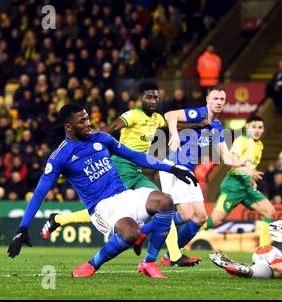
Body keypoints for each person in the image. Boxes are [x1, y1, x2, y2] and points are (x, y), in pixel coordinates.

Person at [7, 103, 198, 279]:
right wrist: (22, 228)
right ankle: (91, 264)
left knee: (165, 201)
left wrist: (172, 169)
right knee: (131, 234)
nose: (88, 123)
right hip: (102, 207)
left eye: (88, 118)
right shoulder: (60, 156)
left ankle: (149, 262)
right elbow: (40, 191)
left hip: (124, 195)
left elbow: (135, 156)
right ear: (69, 127)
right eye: (82, 121)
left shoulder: (101, 138)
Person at [41, 81, 206, 267]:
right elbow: (112, 127)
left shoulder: (157, 119)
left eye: (156, 97)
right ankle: (174, 255)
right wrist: (92, 146)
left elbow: (172, 125)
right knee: (108, 208)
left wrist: (199, 124)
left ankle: (58, 219)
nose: (153, 100)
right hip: (121, 167)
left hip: (136, 169)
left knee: (163, 202)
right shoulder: (133, 115)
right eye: (149, 97)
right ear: (140, 98)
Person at [159, 86, 248, 266]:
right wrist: (175, 135)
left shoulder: (217, 126)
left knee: (200, 217)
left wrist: (241, 163)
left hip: (186, 169)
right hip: (174, 166)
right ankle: (150, 229)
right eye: (215, 98)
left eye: (222, 99)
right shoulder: (199, 114)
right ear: (207, 100)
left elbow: (226, 157)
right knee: (186, 215)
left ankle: (171, 254)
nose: (219, 102)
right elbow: (169, 115)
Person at [203, 115, 275, 246]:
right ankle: (185, 234)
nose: (257, 130)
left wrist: (251, 178)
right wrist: (249, 172)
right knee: (215, 221)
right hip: (233, 185)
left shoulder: (259, 145)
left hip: (247, 187)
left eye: (260, 127)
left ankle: (264, 251)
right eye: (254, 127)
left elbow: (250, 166)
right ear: (247, 127)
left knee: (269, 212)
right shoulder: (241, 141)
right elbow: (232, 163)